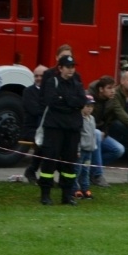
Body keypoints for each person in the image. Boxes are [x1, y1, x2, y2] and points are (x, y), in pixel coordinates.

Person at [38, 54, 85, 206]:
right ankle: (45, 194)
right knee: (49, 161)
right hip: (54, 128)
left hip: (72, 129)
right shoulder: (53, 82)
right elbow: (51, 101)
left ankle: (67, 195)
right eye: (68, 67)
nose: (71, 70)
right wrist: (70, 103)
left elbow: (81, 101)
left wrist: (64, 100)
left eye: (73, 67)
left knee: (69, 163)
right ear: (60, 68)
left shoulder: (77, 84)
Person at [88, 75, 126, 185]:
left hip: (100, 133)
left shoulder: (111, 100)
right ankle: (97, 175)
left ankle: (92, 169)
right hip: (87, 133)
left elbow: (109, 120)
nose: (113, 91)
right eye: (109, 88)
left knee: (119, 149)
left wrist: (105, 130)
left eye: (114, 88)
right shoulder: (89, 98)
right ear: (101, 89)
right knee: (97, 134)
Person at [22, 64, 47, 185]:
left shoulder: (51, 91)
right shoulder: (28, 92)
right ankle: (32, 170)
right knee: (44, 143)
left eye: (41, 76)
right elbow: (35, 110)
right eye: (36, 76)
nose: (38, 78)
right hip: (32, 129)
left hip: (48, 129)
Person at [74, 94, 98, 200]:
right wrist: (78, 149)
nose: (89, 109)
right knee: (77, 170)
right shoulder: (79, 118)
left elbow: (93, 134)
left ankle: (85, 188)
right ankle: (75, 189)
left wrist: (94, 146)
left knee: (86, 170)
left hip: (89, 150)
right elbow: (77, 135)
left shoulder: (92, 119)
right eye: (87, 106)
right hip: (81, 150)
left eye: (91, 106)